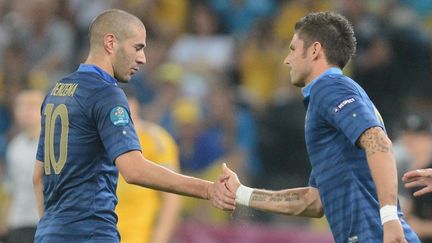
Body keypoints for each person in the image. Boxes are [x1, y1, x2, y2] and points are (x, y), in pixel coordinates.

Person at [32, 9, 235, 243]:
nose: (143, 58)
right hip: (91, 233)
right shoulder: (106, 93)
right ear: (110, 42)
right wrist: (208, 190)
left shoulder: (56, 92)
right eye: (137, 47)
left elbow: (38, 177)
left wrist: (50, 228)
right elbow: (134, 170)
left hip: (49, 233)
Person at [221, 12, 420, 243]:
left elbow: (379, 143)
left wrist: (389, 218)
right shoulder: (328, 105)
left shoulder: (329, 88)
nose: (287, 59)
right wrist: (241, 193)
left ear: (315, 50)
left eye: (293, 49)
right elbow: (313, 201)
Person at [116, 94, 181, 243]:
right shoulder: (100, 139)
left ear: (134, 105)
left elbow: (171, 198)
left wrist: (159, 238)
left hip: (139, 237)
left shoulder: (156, 139)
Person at [4, 90, 43, 243]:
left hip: (44, 221)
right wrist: (4, 220)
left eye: (32, 106)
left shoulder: (55, 144)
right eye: (21, 106)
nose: (26, 111)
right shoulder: (14, 147)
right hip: (17, 222)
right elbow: (11, 188)